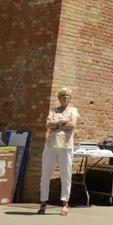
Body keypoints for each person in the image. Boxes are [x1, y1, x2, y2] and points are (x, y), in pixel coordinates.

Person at [37, 87, 79, 215]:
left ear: (70, 98)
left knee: (65, 174)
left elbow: (72, 125)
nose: (65, 97)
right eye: (63, 95)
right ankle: (43, 202)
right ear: (59, 98)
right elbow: (48, 124)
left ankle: (65, 202)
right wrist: (62, 121)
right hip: (51, 145)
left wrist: (56, 124)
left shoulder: (73, 110)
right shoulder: (53, 110)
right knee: (46, 173)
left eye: (67, 95)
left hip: (65, 146)